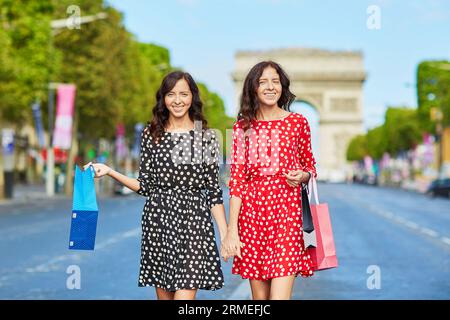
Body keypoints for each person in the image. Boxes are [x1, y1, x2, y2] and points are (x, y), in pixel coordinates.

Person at [84, 71, 228, 300]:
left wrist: (225, 233)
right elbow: (146, 186)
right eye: (171, 94)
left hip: (194, 225)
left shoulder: (207, 137)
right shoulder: (151, 135)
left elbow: (213, 191)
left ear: (193, 97)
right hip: (158, 222)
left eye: (184, 94)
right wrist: (110, 171)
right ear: (163, 98)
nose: (178, 100)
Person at [221, 61, 318, 300]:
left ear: (282, 87)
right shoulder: (242, 127)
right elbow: (237, 182)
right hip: (253, 219)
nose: (270, 87)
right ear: (253, 88)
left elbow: (310, 166)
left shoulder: (298, 123)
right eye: (263, 82)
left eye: (275, 81)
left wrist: (303, 175)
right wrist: (232, 230)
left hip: (287, 216)